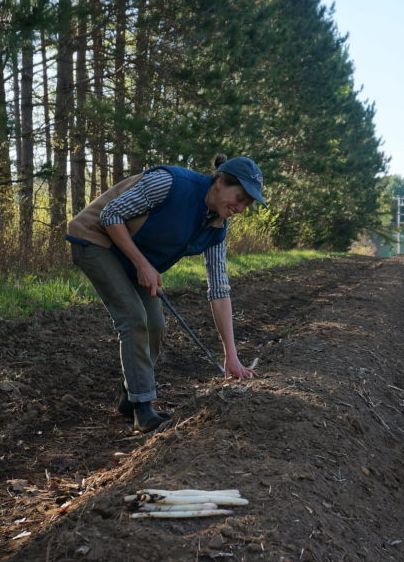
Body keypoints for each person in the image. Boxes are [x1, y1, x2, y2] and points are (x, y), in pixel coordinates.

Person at [66, 155, 265, 432]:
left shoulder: (216, 228)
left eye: (247, 204)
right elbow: (110, 215)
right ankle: (143, 411)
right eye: (239, 197)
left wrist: (231, 356)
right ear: (220, 182)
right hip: (95, 240)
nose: (241, 208)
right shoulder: (169, 183)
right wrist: (143, 264)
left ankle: (130, 395)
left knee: (155, 327)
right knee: (134, 319)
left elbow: (219, 289)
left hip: (132, 256)